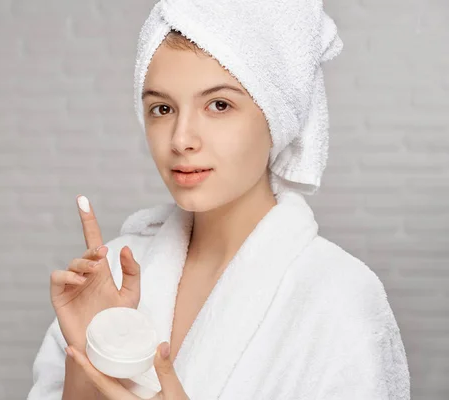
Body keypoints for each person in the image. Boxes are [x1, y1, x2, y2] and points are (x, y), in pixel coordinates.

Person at [28, 0, 411, 399]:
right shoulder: (112, 275)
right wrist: (89, 355)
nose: (180, 139)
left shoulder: (340, 295)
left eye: (219, 105)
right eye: (162, 108)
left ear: (276, 116)